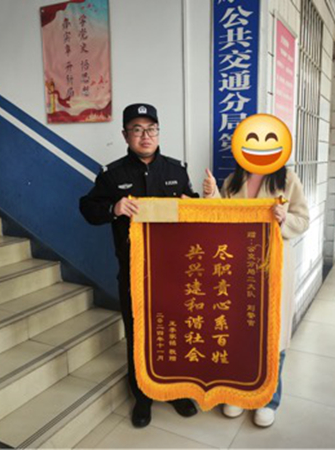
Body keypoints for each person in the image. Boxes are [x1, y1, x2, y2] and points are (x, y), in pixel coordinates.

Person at [80, 103, 199, 428]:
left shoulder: (177, 171)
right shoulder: (112, 175)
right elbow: (88, 208)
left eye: (151, 129)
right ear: (125, 135)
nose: (145, 136)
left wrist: (196, 203)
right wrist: (114, 208)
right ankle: (143, 397)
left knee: (174, 331)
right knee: (138, 333)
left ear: (158, 132)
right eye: (137, 130)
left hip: (174, 273)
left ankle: (175, 391)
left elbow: (192, 211)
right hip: (134, 271)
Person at [202, 165, 309, 427]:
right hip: (240, 266)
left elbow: (303, 220)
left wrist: (285, 218)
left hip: (274, 266)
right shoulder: (233, 180)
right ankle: (239, 393)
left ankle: (268, 400)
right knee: (240, 334)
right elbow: (221, 216)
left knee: (273, 334)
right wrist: (212, 193)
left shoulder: (287, 179)